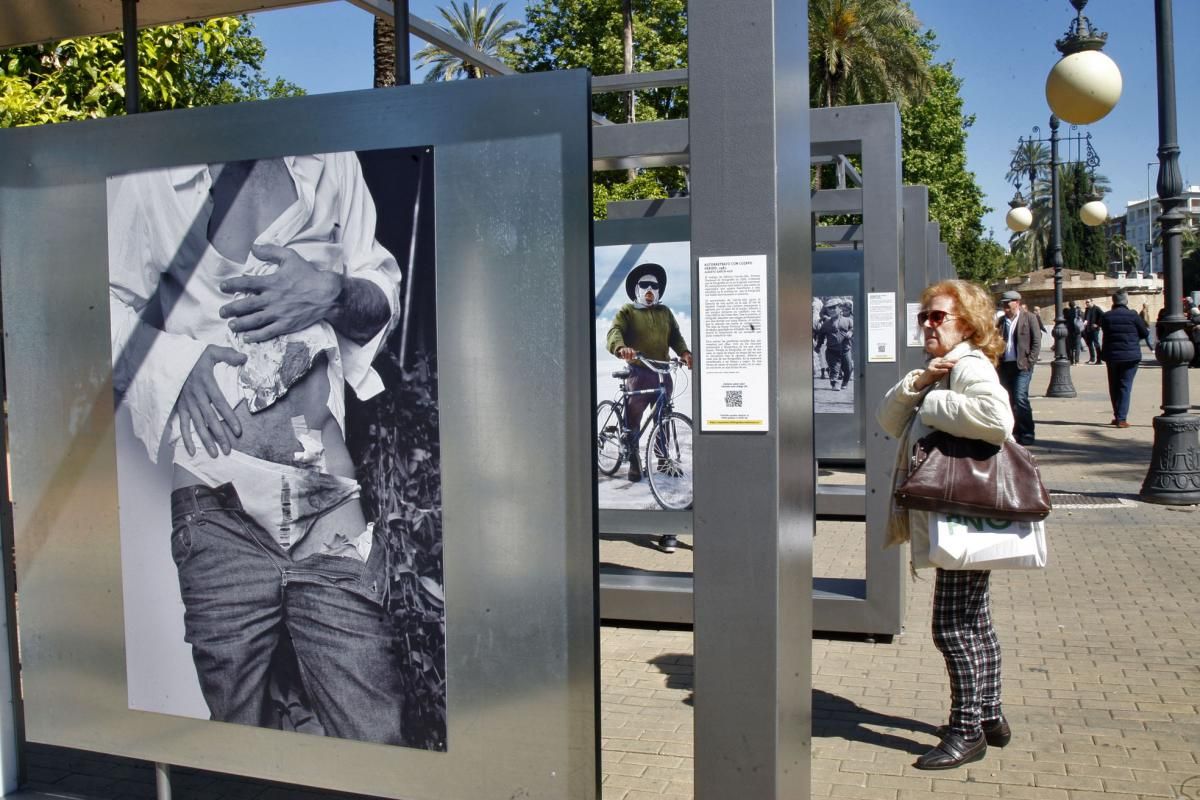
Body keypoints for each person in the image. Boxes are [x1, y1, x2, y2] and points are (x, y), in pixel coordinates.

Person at [108, 153, 407, 743]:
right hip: (219, 504)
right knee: (242, 741)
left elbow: (381, 298)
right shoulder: (151, 176)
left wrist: (333, 292)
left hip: (328, 502)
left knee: (375, 733)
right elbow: (95, 311)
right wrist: (176, 364)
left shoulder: (331, 161)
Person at [877, 279, 1015, 771]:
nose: (928, 325)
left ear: (969, 323)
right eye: (925, 317)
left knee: (951, 627)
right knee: (975, 621)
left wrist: (931, 401)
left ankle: (966, 730)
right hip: (962, 513)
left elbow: (997, 419)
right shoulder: (944, 369)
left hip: (963, 512)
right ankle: (991, 715)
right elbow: (889, 420)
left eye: (939, 317)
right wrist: (920, 382)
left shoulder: (970, 365)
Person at [606, 262, 693, 483]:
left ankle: (662, 458)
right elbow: (615, 331)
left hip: (663, 373)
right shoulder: (627, 311)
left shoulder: (665, 312)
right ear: (636, 288)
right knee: (633, 419)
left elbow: (675, 335)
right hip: (639, 373)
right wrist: (621, 347)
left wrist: (684, 352)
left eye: (653, 286)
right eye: (644, 285)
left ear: (659, 290)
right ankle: (634, 459)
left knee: (663, 416)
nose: (649, 290)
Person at [995, 290, 1041, 446]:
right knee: (1008, 400)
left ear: (1017, 303)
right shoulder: (1001, 322)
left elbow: (1036, 342)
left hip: (1022, 366)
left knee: (1020, 398)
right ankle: (1014, 432)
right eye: (1004, 305)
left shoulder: (1029, 318)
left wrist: (1030, 361)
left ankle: (1027, 432)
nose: (1006, 308)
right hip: (1004, 366)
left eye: (1008, 304)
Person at [1099, 291, 1150, 428]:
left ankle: (1118, 416)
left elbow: (1105, 331)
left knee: (1114, 386)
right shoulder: (1133, 315)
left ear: (1113, 301)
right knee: (1125, 386)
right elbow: (1145, 332)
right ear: (1126, 301)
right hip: (1131, 356)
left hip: (1112, 356)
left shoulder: (1107, 317)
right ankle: (1121, 418)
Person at [817, 300, 854, 391]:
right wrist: (818, 346)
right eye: (829, 309)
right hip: (832, 351)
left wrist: (851, 332)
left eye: (834, 308)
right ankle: (834, 384)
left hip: (845, 350)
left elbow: (854, 328)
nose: (832, 310)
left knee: (848, 368)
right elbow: (821, 336)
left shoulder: (848, 320)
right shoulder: (826, 324)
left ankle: (845, 382)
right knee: (834, 369)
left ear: (840, 308)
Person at [1083, 298, 1104, 364]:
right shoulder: (1087, 309)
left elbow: (1103, 316)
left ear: (1092, 302)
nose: (1087, 303)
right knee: (1089, 344)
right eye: (1086, 302)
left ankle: (1099, 359)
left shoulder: (1096, 308)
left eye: (1088, 302)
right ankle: (1092, 358)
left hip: (1094, 330)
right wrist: (1085, 322)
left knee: (1096, 344)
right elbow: (1086, 318)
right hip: (1088, 329)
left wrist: (1098, 324)